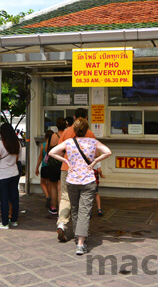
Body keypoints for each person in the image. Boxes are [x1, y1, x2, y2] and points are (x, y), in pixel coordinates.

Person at [49, 117, 111, 255]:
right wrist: (94, 162)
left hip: (71, 180)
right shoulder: (93, 141)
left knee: (76, 210)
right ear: (86, 129)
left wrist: (65, 160)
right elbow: (108, 151)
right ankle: (81, 242)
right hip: (88, 181)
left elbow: (51, 152)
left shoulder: (69, 142)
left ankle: (78, 236)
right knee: (84, 212)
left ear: (75, 129)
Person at [55, 108, 95, 242]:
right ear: (86, 119)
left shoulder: (66, 132)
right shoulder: (89, 133)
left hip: (67, 168)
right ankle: (81, 232)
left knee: (66, 197)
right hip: (84, 172)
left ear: (74, 117)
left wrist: (66, 159)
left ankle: (62, 223)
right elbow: (95, 155)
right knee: (82, 201)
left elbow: (59, 152)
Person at [0, 123, 20, 229]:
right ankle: (14, 220)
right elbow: (16, 159)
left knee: (4, 198)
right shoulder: (17, 143)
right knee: (14, 197)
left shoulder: (1, 144)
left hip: (3, 174)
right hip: (14, 173)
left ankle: (4, 223)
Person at [45, 118, 67, 214]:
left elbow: (47, 149)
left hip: (52, 164)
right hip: (63, 163)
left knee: (53, 187)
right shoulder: (66, 136)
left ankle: (53, 207)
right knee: (60, 187)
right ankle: (61, 210)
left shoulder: (52, 136)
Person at [35, 130, 53, 209]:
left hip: (44, 166)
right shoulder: (54, 145)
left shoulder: (43, 145)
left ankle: (47, 195)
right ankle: (51, 198)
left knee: (42, 182)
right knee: (49, 183)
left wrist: (37, 167)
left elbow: (40, 157)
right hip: (51, 166)